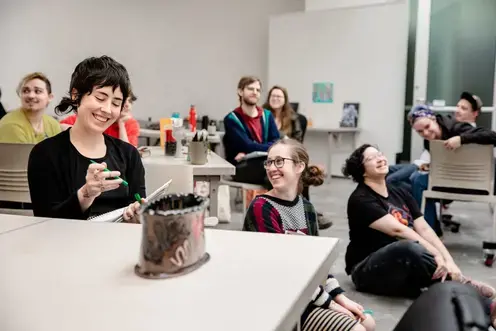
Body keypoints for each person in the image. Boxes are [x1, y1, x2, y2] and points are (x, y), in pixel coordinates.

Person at [244, 139, 375, 331]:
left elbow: (318, 265)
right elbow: (280, 270)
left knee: (368, 322)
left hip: (305, 294)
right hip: (278, 301)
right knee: (357, 330)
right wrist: (331, 304)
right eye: (269, 162)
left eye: (279, 161)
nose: (272, 168)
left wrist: (341, 298)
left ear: (299, 166)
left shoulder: (306, 208)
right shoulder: (261, 207)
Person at [341, 144, 495, 300]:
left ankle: (454, 287)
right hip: (366, 271)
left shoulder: (399, 191)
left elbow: (424, 228)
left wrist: (449, 261)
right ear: (362, 171)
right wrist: (435, 254)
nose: (380, 159)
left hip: (401, 267)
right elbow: (399, 231)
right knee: (409, 246)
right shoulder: (361, 199)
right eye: (371, 158)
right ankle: (461, 285)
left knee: (420, 260)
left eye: (379, 154)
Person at [27, 56, 145, 222]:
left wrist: (139, 215)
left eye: (116, 103)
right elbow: (45, 222)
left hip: (119, 244)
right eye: (100, 98)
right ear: (76, 95)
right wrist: (85, 194)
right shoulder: (45, 154)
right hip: (66, 245)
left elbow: (138, 203)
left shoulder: (129, 154)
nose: (107, 109)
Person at [408, 98, 495, 235]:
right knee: (410, 180)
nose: (425, 133)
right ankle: (429, 230)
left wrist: (461, 139)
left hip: (472, 182)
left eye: (427, 127)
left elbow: (492, 136)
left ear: (434, 120)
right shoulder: (429, 142)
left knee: (414, 179)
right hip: (448, 179)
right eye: (420, 132)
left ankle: (431, 233)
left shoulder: (457, 127)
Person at [263, 85, 332, 230]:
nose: (275, 99)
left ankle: (305, 210)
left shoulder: (293, 119)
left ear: (285, 100)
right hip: (267, 155)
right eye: (273, 96)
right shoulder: (262, 116)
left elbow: (297, 143)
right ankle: (293, 212)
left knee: (301, 172)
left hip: (288, 155)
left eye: (279, 96)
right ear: (268, 99)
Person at [223, 76, 280, 186]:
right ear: (240, 91)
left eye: (258, 90)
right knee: (274, 172)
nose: (255, 92)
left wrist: (254, 147)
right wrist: (270, 147)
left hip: (266, 162)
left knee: (290, 169)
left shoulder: (267, 115)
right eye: (250, 89)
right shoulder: (232, 119)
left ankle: (288, 202)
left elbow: (277, 142)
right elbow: (247, 146)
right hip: (242, 166)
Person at [59, 90, 140, 147]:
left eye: (130, 101)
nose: (127, 105)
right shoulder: (95, 117)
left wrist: (121, 124)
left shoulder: (131, 123)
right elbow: (60, 127)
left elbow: (129, 153)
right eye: (122, 101)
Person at [0, 72, 61, 143]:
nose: (31, 96)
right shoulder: (11, 125)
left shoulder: (53, 124)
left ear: (50, 97)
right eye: (26, 91)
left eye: (38, 91)